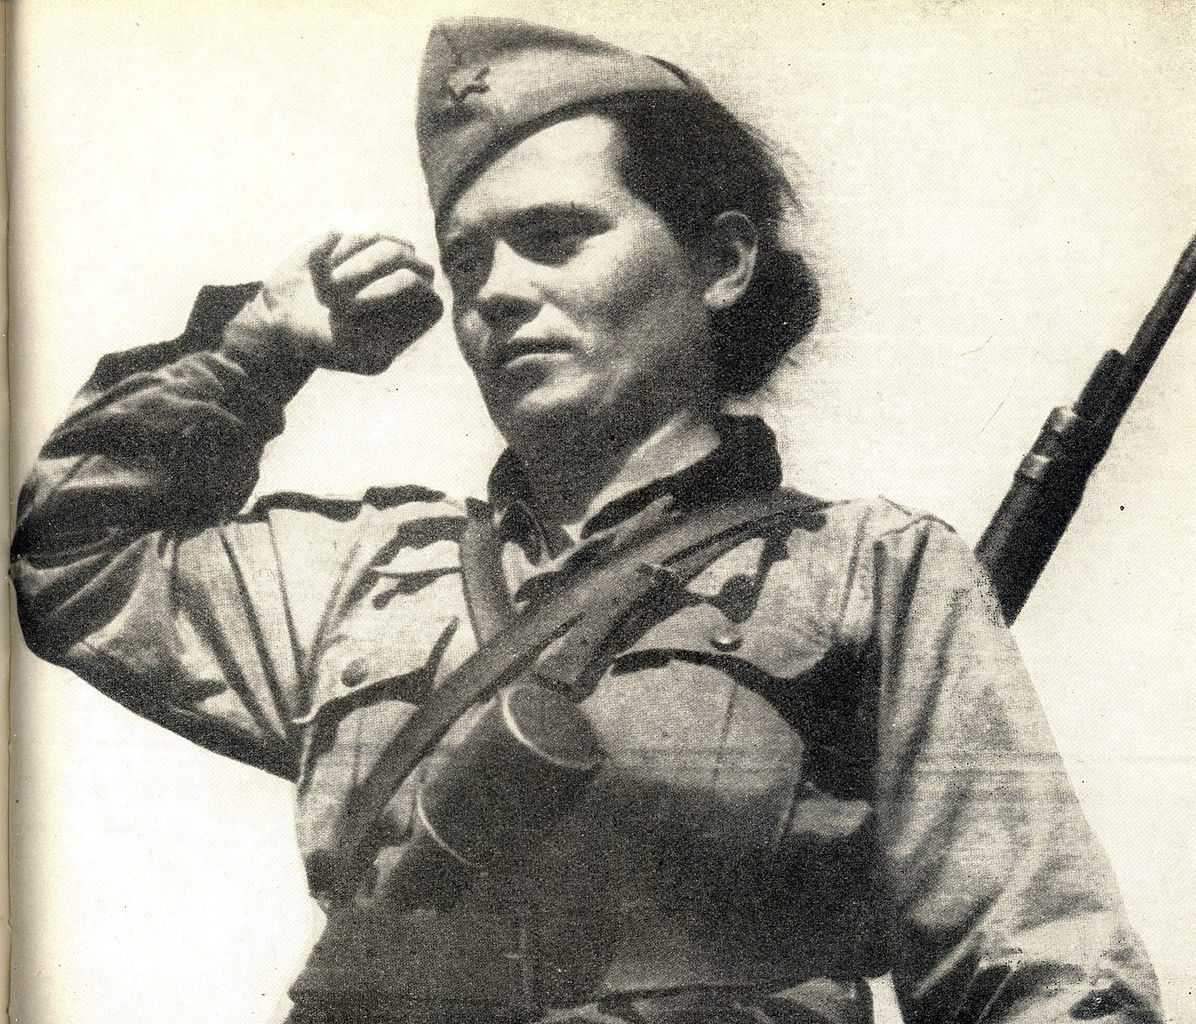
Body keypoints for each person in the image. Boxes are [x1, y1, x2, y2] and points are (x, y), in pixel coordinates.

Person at [10, 16, 1163, 1024]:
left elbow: (1042, 973)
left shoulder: (865, 572)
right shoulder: (366, 573)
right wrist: (253, 350)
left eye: (555, 237)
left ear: (719, 262)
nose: (496, 291)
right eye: (466, 260)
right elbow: (75, 563)